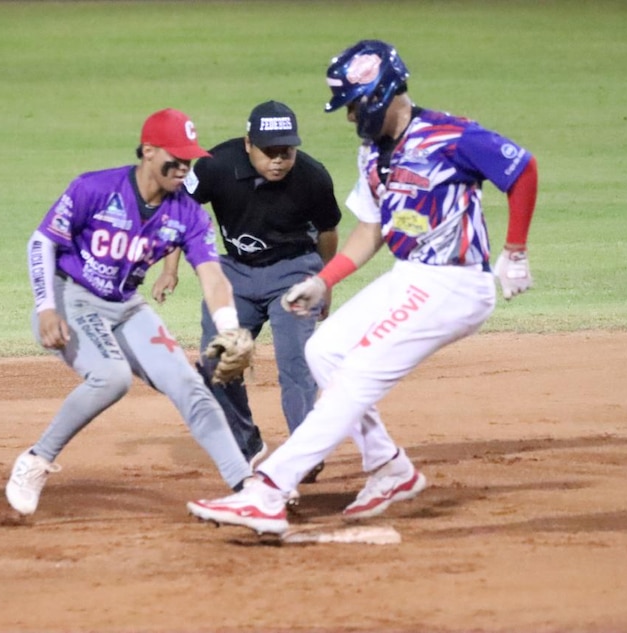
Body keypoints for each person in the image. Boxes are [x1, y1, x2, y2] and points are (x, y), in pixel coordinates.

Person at [186, 40, 538, 535]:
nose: (350, 117)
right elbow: (370, 229)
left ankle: (266, 492)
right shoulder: (373, 155)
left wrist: (515, 251)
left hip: (454, 284)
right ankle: (389, 466)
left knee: (351, 379)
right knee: (325, 352)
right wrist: (322, 280)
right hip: (411, 276)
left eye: (353, 104)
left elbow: (522, 169)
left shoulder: (451, 136)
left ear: (378, 95)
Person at [5, 108, 255, 516]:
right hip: (71, 297)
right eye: (175, 158)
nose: (183, 168)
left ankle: (246, 485)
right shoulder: (95, 188)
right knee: (111, 377)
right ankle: (35, 460)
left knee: (188, 383)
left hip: (127, 306)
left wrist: (228, 328)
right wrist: (46, 306)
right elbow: (41, 242)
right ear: (149, 151)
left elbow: (212, 276)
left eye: (189, 159)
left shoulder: (188, 214)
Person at [153, 101, 341, 485]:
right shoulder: (215, 166)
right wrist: (169, 268)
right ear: (247, 144)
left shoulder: (312, 176)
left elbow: (327, 233)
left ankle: (305, 450)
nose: (278, 161)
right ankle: (246, 442)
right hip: (235, 274)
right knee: (216, 362)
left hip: (295, 271)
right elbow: (181, 213)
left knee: (296, 363)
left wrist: (325, 281)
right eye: (269, 152)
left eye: (285, 152)